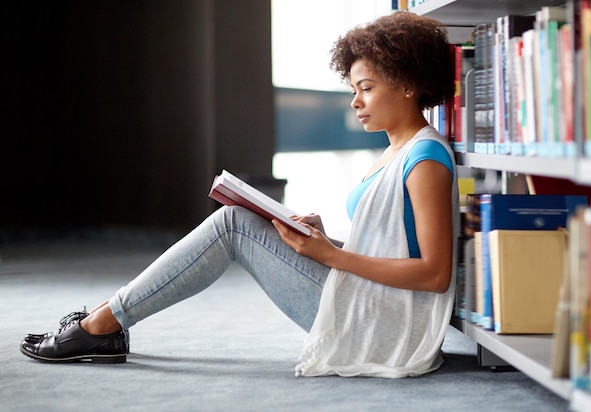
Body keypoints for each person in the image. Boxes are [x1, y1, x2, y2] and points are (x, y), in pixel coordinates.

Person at [20, 11, 459, 378]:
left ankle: (102, 324)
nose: (355, 102)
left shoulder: (424, 160)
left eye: (366, 88)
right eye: (353, 89)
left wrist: (332, 256)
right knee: (242, 221)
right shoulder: (397, 150)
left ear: (407, 83)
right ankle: (106, 317)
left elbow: (434, 273)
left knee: (232, 224)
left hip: (385, 325)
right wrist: (330, 243)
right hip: (368, 299)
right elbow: (397, 246)